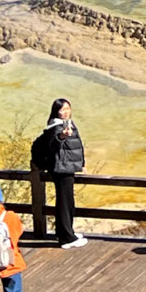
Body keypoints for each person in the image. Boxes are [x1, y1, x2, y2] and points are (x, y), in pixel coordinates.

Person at [29, 97, 88, 247]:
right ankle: (66, 238)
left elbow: (75, 147)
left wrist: (81, 164)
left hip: (68, 167)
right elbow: (54, 142)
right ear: (56, 112)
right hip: (62, 169)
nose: (65, 112)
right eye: (62, 109)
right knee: (64, 202)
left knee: (68, 202)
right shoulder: (56, 127)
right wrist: (62, 136)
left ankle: (67, 232)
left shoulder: (67, 124)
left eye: (67, 108)